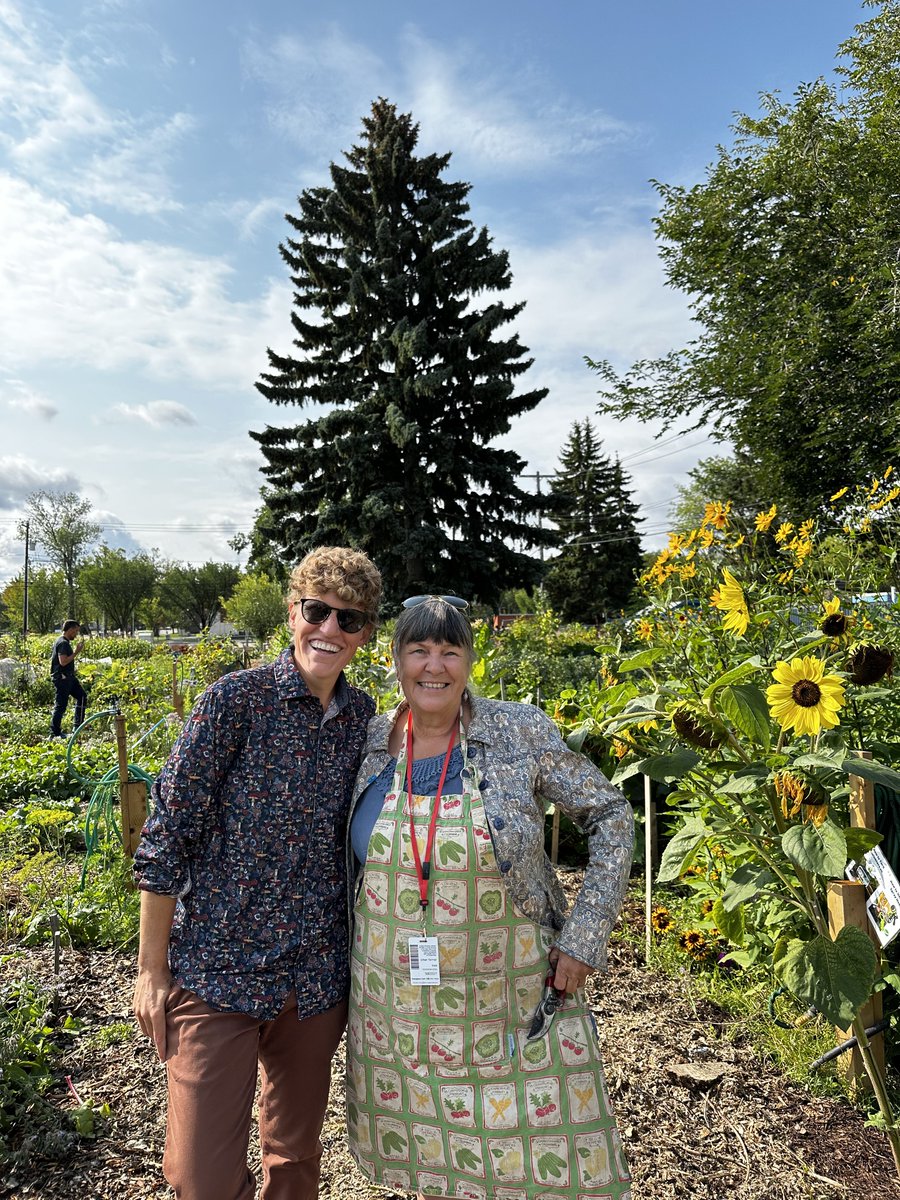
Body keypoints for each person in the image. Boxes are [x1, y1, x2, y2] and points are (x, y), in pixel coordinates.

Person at [345, 595, 634, 1200]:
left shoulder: (517, 730)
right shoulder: (369, 740)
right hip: (396, 1008)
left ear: (471, 661)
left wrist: (584, 937)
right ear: (395, 660)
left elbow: (611, 814)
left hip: (509, 995)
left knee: (532, 1158)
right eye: (419, 650)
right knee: (429, 1157)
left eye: (450, 651)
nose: (434, 666)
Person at [132, 547, 382, 1200]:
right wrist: (151, 970)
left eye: (348, 620)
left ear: (365, 635)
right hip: (220, 971)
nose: (329, 630)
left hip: (314, 981)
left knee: (294, 1159)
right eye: (317, 611)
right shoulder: (234, 704)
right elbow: (166, 835)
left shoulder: (362, 720)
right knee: (198, 1176)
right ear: (293, 612)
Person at [50, 619, 86, 738]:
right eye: (75, 631)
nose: (76, 634)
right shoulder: (63, 643)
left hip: (69, 678)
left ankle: (77, 726)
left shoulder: (62, 641)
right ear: (70, 630)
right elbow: (63, 662)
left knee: (82, 696)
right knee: (61, 705)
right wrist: (76, 652)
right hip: (62, 678)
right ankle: (54, 733)